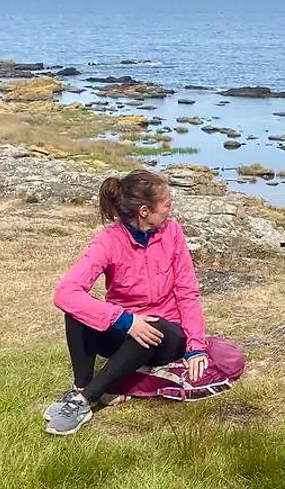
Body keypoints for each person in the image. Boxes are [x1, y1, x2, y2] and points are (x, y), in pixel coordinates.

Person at [45, 170, 209, 435]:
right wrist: (124, 320)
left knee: (157, 327)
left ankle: (86, 399)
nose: (171, 209)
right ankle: (81, 389)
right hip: (125, 332)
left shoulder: (173, 232)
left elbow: (187, 291)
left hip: (166, 337)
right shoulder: (109, 241)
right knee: (75, 311)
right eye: (167, 204)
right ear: (144, 211)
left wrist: (196, 346)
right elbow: (65, 292)